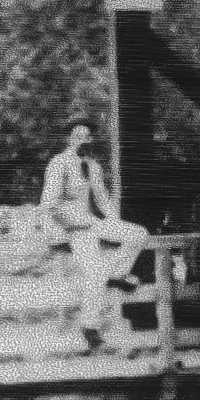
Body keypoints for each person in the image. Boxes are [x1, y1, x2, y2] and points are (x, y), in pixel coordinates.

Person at [39, 118, 149, 352]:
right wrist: (69, 227)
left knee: (139, 234)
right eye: (78, 135)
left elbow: (102, 199)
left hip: (92, 223)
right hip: (70, 230)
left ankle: (117, 274)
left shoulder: (92, 166)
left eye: (87, 136)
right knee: (96, 270)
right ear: (69, 138)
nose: (83, 140)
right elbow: (49, 205)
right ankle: (90, 328)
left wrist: (114, 225)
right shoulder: (59, 163)